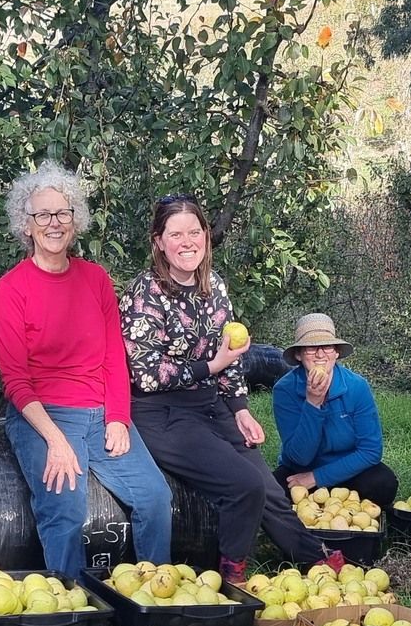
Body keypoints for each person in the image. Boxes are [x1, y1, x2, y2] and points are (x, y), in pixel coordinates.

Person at [119, 194, 342, 585]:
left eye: (194, 231)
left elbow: (232, 356)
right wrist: (212, 365)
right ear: (158, 241)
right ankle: (232, 574)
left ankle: (315, 562)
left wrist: (239, 408)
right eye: (175, 234)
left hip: (210, 403)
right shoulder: (145, 292)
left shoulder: (214, 287)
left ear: (206, 235)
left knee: (268, 488)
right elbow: (145, 374)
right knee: (243, 486)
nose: (187, 242)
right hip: (161, 412)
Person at [0, 161, 173, 580]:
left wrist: (118, 419)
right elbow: (16, 380)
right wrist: (55, 439)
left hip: (99, 414)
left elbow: (114, 356)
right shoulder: (11, 289)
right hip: (44, 417)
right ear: (27, 223)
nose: (54, 223)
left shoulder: (96, 279)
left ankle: (153, 598)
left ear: (75, 220)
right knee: (66, 509)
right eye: (43, 214)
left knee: (155, 498)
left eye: (62, 213)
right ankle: (70, 610)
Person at [271, 312, 398, 509]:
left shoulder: (357, 387)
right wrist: (313, 403)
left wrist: (317, 477)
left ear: (336, 352)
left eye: (327, 346)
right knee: (270, 492)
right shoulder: (284, 390)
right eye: (312, 348)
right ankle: (307, 523)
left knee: (383, 483)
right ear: (298, 354)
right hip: (301, 470)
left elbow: (371, 451)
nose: (320, 354)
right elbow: (299, 457)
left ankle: (350, 516)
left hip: (347, 469)